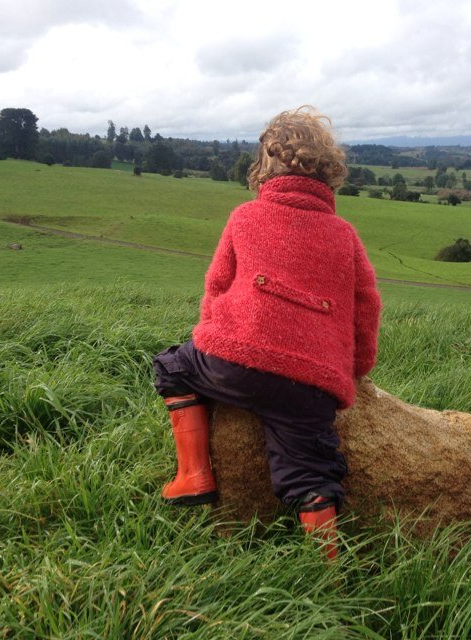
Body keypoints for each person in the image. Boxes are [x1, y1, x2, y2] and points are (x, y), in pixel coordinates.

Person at [152, 106, 381, 559]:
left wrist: (212, 334)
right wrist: (356, 369)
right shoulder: (344, 234)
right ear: (328, 174)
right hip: (308, 382)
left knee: (172, 367)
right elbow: (366, 307)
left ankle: (194, 474)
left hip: (230, 361)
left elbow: (216, 287)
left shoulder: (243, 217)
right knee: (312, 474)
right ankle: (328, 576)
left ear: (262, 170)